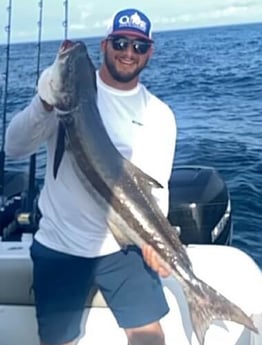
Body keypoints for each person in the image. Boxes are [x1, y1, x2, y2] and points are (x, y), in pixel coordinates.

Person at [5, 8, 176, 345]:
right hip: (60, 243)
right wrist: (45, 103)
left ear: (149, 52)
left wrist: (155, 242)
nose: (128, 52)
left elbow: (155, 191)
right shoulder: (65, 97)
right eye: (121, 42)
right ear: (105, 45)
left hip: (123, 247)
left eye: (138, 46)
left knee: (150, 338)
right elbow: (14, 146)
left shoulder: (159, 115)